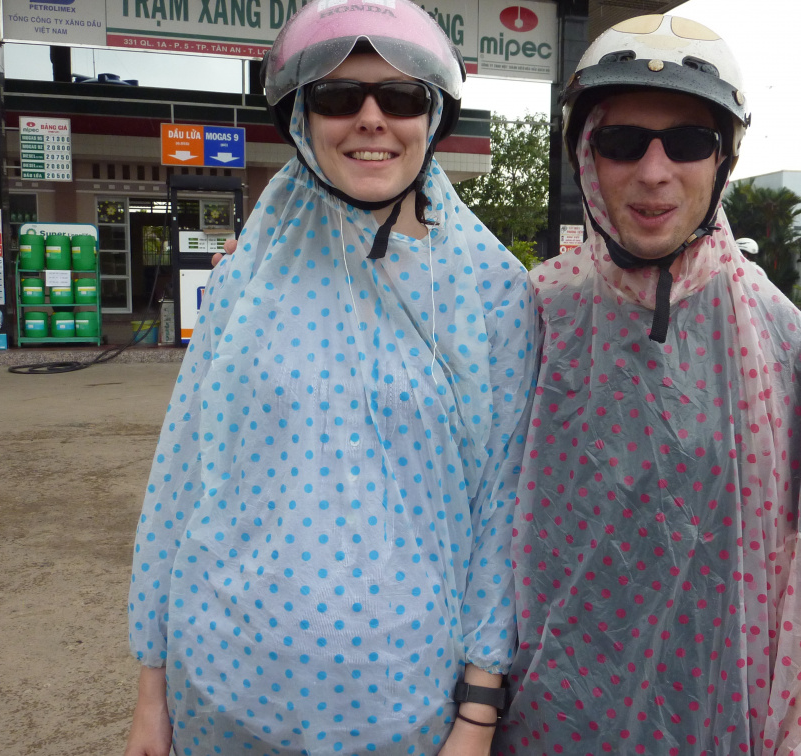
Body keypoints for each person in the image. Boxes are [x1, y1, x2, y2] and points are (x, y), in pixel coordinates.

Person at [124, 1, 537, 754]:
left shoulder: (491, 293)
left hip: (402, 711)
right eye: (339, 97)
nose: (371, 118)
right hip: (219, 694)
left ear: (433, 116)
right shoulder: (249, 275)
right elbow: (181, 474)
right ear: (302, 119)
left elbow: (501, 511)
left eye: (402, 97)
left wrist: (478, 713)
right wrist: (152, 690)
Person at [492, 15, 801, 755]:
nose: (655, 171)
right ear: (586, 156)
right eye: (623, 142)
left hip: (714, 724)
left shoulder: (794, 355)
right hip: (546, 724)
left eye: (689, 142)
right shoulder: (533, 315)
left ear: (724, 159)